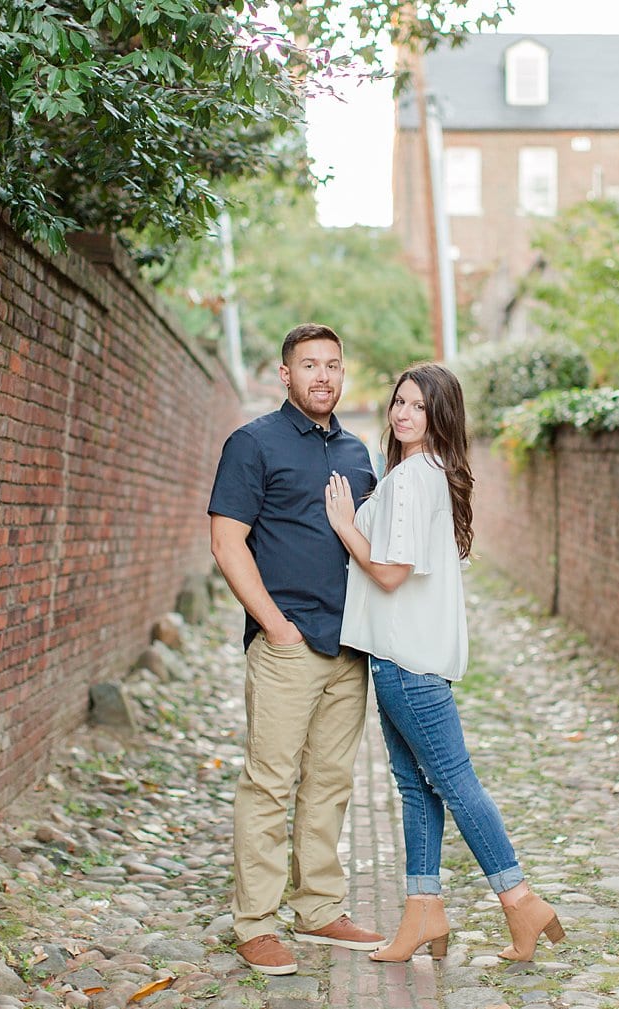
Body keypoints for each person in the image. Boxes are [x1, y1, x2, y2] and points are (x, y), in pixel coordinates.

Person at [323, 362, 564, 964]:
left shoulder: (409, 481)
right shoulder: (432, 473)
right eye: (398, 402)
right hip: (411, 658)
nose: (403, 414)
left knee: (454, 785)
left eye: (417, 406)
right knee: (416, 788)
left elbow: (389, 572)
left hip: (405, 661)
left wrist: (346, 526)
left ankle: (520, 898)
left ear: (440, 415)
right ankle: (424, 911)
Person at [207, 323, 386, 975]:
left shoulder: (357, 452)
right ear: (285, 374)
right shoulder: (252, 444)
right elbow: (227, 543)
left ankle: (318, 907)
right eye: (308, 364)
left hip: (348, 647)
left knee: (331, 781)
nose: (322, 375)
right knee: (269, 782)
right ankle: (255, 921)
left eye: (332, 365)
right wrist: (276, 626)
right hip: (288, 645)